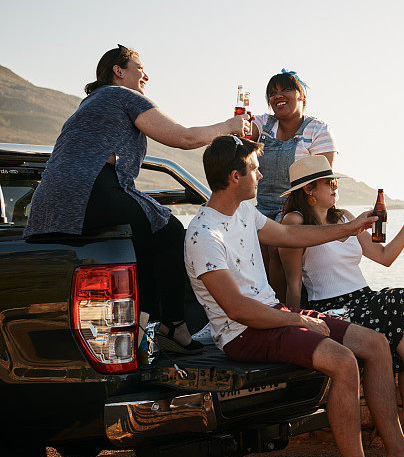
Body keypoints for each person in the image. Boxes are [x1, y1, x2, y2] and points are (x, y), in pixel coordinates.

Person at [184, 136, 404, 457]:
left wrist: (351, 227)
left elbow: (291, 235)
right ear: (234, 176)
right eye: (253, 168)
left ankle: (399, 455)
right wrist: (297, 320)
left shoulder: (245, 213)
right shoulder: (203, 233)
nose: (261, 175)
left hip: (272, 315)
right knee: (343, 362)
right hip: (244, 332)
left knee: (374, 344)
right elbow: (237, 309)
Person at [23, 44, 250, 355]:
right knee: (169, 231)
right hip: (91, 191)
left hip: (50, 205)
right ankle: (172, 326)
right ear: (119, 71)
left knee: (139, 242)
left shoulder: (89, 105)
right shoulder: (122, 96)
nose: (146, 74)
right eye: (139, 68)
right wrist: (229, 127)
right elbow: (184, 138)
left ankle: (140, 330)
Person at [278, 155, 404, 457]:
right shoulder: (294, 223)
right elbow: (292, 283)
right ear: (309, 190)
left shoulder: (345, 216)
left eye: (335, 181)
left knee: (401, 304)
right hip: (331, 308)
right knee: (400, 321)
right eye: (329, 182)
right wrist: (293, 327)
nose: (335, 186)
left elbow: (383, 257)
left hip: (363, 299)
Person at [250, 69, 337, 301]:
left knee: (273, 244)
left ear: (302, 97)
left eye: (286, 89)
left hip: (298, 206)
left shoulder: (316, 130)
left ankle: (277, 309)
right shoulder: (262, 124)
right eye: (272, 92)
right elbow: (242, 133)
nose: (278, 95)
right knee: (244, 244)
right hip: (263, 206)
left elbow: (322, 178)